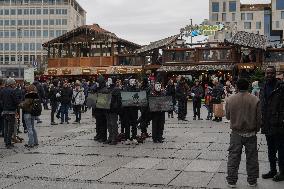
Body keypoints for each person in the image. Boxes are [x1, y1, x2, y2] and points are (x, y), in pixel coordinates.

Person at [225, 78, 261, 188]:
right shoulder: (255, 99)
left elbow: (227, 116)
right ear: (248, 86)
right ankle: (252, 180)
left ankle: (231, 180)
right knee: (252, 157)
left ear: (237, 87)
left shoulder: (230, 99)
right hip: (250, 133)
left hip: (236, 133)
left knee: (233, 157)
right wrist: (257, 129)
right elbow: (258, 118)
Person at [260, 66, 284, 182]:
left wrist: (281, 119)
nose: (269, 75)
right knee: (270, 149)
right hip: (267, 123)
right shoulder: (263, 87)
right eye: (267, 73)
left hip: (279, 125)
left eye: (271, 73)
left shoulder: (281, 87)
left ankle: (282, 172)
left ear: (275, 74)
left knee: (281, 149)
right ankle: (273, 170)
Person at [0, 78, 21, 149]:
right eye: (14, 83)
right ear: (11, 84)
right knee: (10, 128)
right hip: (11, 112)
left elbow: (1, 101)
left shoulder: (2, 91)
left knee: (5, 128)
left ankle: (6, 141)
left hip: (4, 111)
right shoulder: (12, 91)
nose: (15, 85)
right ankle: (8, 143)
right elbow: (16, 101)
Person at [93, 76, 108, 143]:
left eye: (98, 82)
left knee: (103, 124)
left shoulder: (104, 89)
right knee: (98, 124)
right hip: (97, 109)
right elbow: (91, 91)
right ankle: (99, 135)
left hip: (102, 110)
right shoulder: (98, 88)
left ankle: (103, 137)